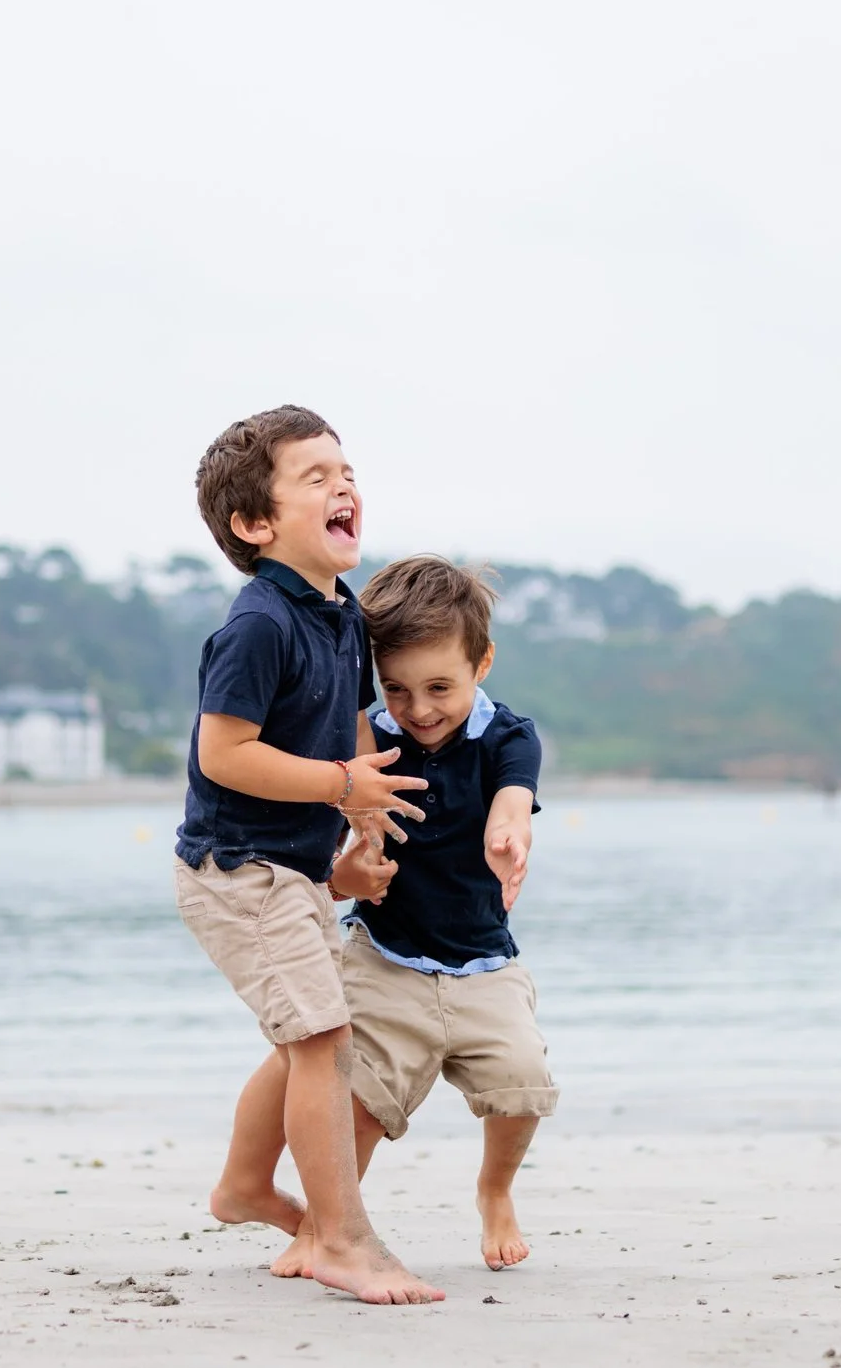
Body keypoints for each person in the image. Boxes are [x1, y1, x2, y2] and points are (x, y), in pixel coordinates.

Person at [173, 405, 445, 1305]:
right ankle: (341, 1239)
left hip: (289, 866)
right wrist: (340, 785)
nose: (345, 487)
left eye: (348, 470)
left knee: (307, 1039)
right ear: (257, 525)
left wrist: (359, 844)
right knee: (323, 1036)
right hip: (237, 867)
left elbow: (357, 731)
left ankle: (247, 1189)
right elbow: (227, 754)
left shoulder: (339, 616)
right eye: (317, 477)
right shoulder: (257, 625)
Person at [269, 556, 555, 1276]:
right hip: (384, 957)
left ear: (481, 662)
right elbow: (331, 865)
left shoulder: (507, 737)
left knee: (521, 1086)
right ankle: (327, 1225)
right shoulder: (362, 741)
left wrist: (509, 829)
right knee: (357, 1105)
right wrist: (347, 873)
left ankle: (494, 1190)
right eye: (396, 688)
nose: (418, 708)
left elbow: (515, 797)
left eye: (439, 687)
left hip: (485, 962)